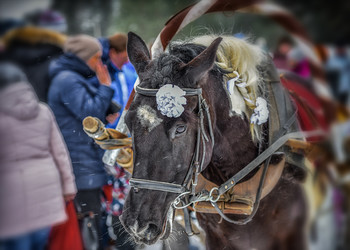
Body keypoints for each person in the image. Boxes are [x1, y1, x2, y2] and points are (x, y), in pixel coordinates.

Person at [48, 34, 115, 250]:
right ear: (84, 57)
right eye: (96, 58)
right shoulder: (67, 79)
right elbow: (90, 113)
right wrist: (105, 86)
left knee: (92, 220)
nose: (100, 63)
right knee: (88, 222)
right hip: (80, 165)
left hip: (84, 161)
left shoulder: (71, 77)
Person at [0, 63, 76, 250]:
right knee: (40, 243)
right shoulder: (43, 111)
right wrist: (68, 187)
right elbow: (60, 152)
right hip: (46, 189)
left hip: (10, 196)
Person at [99, 33, 137, 127]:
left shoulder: (128, 74)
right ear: (113, 53)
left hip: (125, 131)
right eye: (125, 57)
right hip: (107, 132)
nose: (127, 61)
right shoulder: (101, 74)